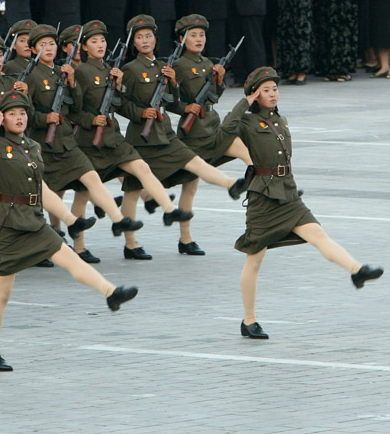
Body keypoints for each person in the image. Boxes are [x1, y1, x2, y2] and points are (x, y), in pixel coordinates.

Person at [0, 92, 139, 372]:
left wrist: (64, 217)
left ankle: (110, 292)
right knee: (2, 294)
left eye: (22, 113)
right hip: (8, 224)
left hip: (33, 219)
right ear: (2, 118)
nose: (19, 117)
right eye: (11, 113)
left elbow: (40, 188)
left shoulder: (33, 146)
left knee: (71, 259)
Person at [220, 67, 383, 340]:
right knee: (255, 259)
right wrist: (244, 101)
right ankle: (249, 320)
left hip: (288, 193)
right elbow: (225, 130)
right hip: (263, 197)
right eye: (265, 91)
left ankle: (356, 270)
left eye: (274, 89)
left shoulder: (280, 119)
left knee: (318, 234)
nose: (272, 94)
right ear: (255, 95)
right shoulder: (247, 122)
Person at [117, 15, 247, 259]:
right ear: (133, 43)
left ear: (156, 39)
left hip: (165, 134)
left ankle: (232, 185)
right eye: (140, 37)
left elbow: (173, 101)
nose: (145, 41)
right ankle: (131, 244)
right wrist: (139, 112)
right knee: (133, 192)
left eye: (149, 36)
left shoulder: (163, 67)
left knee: (195, 164)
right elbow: (120, 104)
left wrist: (175, 83)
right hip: (142, 138)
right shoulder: (131, 69)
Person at [69, 20, 193, 261]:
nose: (100, 45)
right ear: (83, 47)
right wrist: (91, 121)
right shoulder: (81, 72)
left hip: (113, 139)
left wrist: (117, 85)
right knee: (82, 194)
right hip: (89, 141)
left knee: (141, 168)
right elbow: (72, 110)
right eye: (93, 41)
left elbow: (120, 103)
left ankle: (169, 211)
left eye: (102, 40)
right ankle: (79, 247)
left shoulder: (111, 69)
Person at [23, 22, 144, 260]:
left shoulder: (63, 71)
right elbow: (23, 114)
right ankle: (48, 242)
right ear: (33, 49)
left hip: (67, 142)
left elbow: (76, 107)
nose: (48, 48)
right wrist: (43, 117)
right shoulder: (30, 75)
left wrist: (72, 83)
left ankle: (119, 221)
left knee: (91, 178)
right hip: (43, 144)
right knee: (49, 196)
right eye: (42, 45)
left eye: (51, 44)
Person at [169, 15, 253, 255]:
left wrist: (218, 79)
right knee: (190, 188)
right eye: (193, 35)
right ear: (181, 39)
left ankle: (265, 185)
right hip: (193, 133)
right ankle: (185, 239)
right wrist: (185, 108)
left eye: (201, 35)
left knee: (245, 150)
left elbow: (214, 97)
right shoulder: (178, 65)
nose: (198, 39)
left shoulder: (207, 62)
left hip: (213, 127)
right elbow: (169, 101)